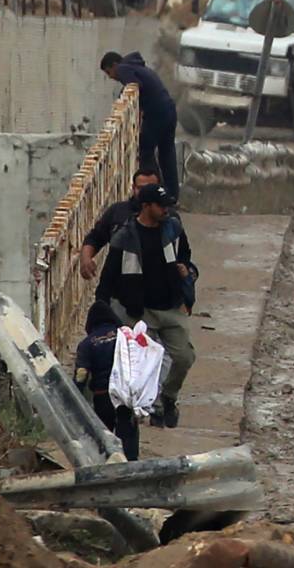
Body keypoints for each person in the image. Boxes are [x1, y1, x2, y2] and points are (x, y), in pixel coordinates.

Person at [96, 184, 196, 429]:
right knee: (142, 367)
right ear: (146, 206)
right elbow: (109, 275)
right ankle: (144, 410)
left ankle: (168, 397)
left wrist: (186, 272)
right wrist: (101, 309)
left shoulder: (173, 228)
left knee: (184, 357)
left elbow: (185, 255)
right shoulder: (125, 237)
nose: (166, 210)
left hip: (171, 308)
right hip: (139, 312)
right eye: (161, 205)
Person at [101, 52, 179, 203]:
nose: (111, 77)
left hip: (156, 114)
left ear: (115, 65)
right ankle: (171, 195)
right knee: (167, 154)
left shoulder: (123, 68)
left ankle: (152, 191)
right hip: (169, 110)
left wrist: (121, 101)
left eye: (109, 72)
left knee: (144, 150)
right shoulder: (139, 67)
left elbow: (133, 86)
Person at [73, 301, 144, 460]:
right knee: (128, 434)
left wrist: (75, 396)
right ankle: (131, 465)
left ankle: (106, 464)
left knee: (103, 436)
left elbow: (81, 374)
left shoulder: (87, 344)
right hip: (124, 395)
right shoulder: (125, 336)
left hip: (102, 395)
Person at [79, 168, 162, 281]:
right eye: (140, 188)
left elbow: (181, 255)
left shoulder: (168, 219)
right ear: (133, 188)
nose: (145, 193)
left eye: (150, 188)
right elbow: (95, 237)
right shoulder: (117, 212)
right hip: (120, 285)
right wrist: (86, 259)